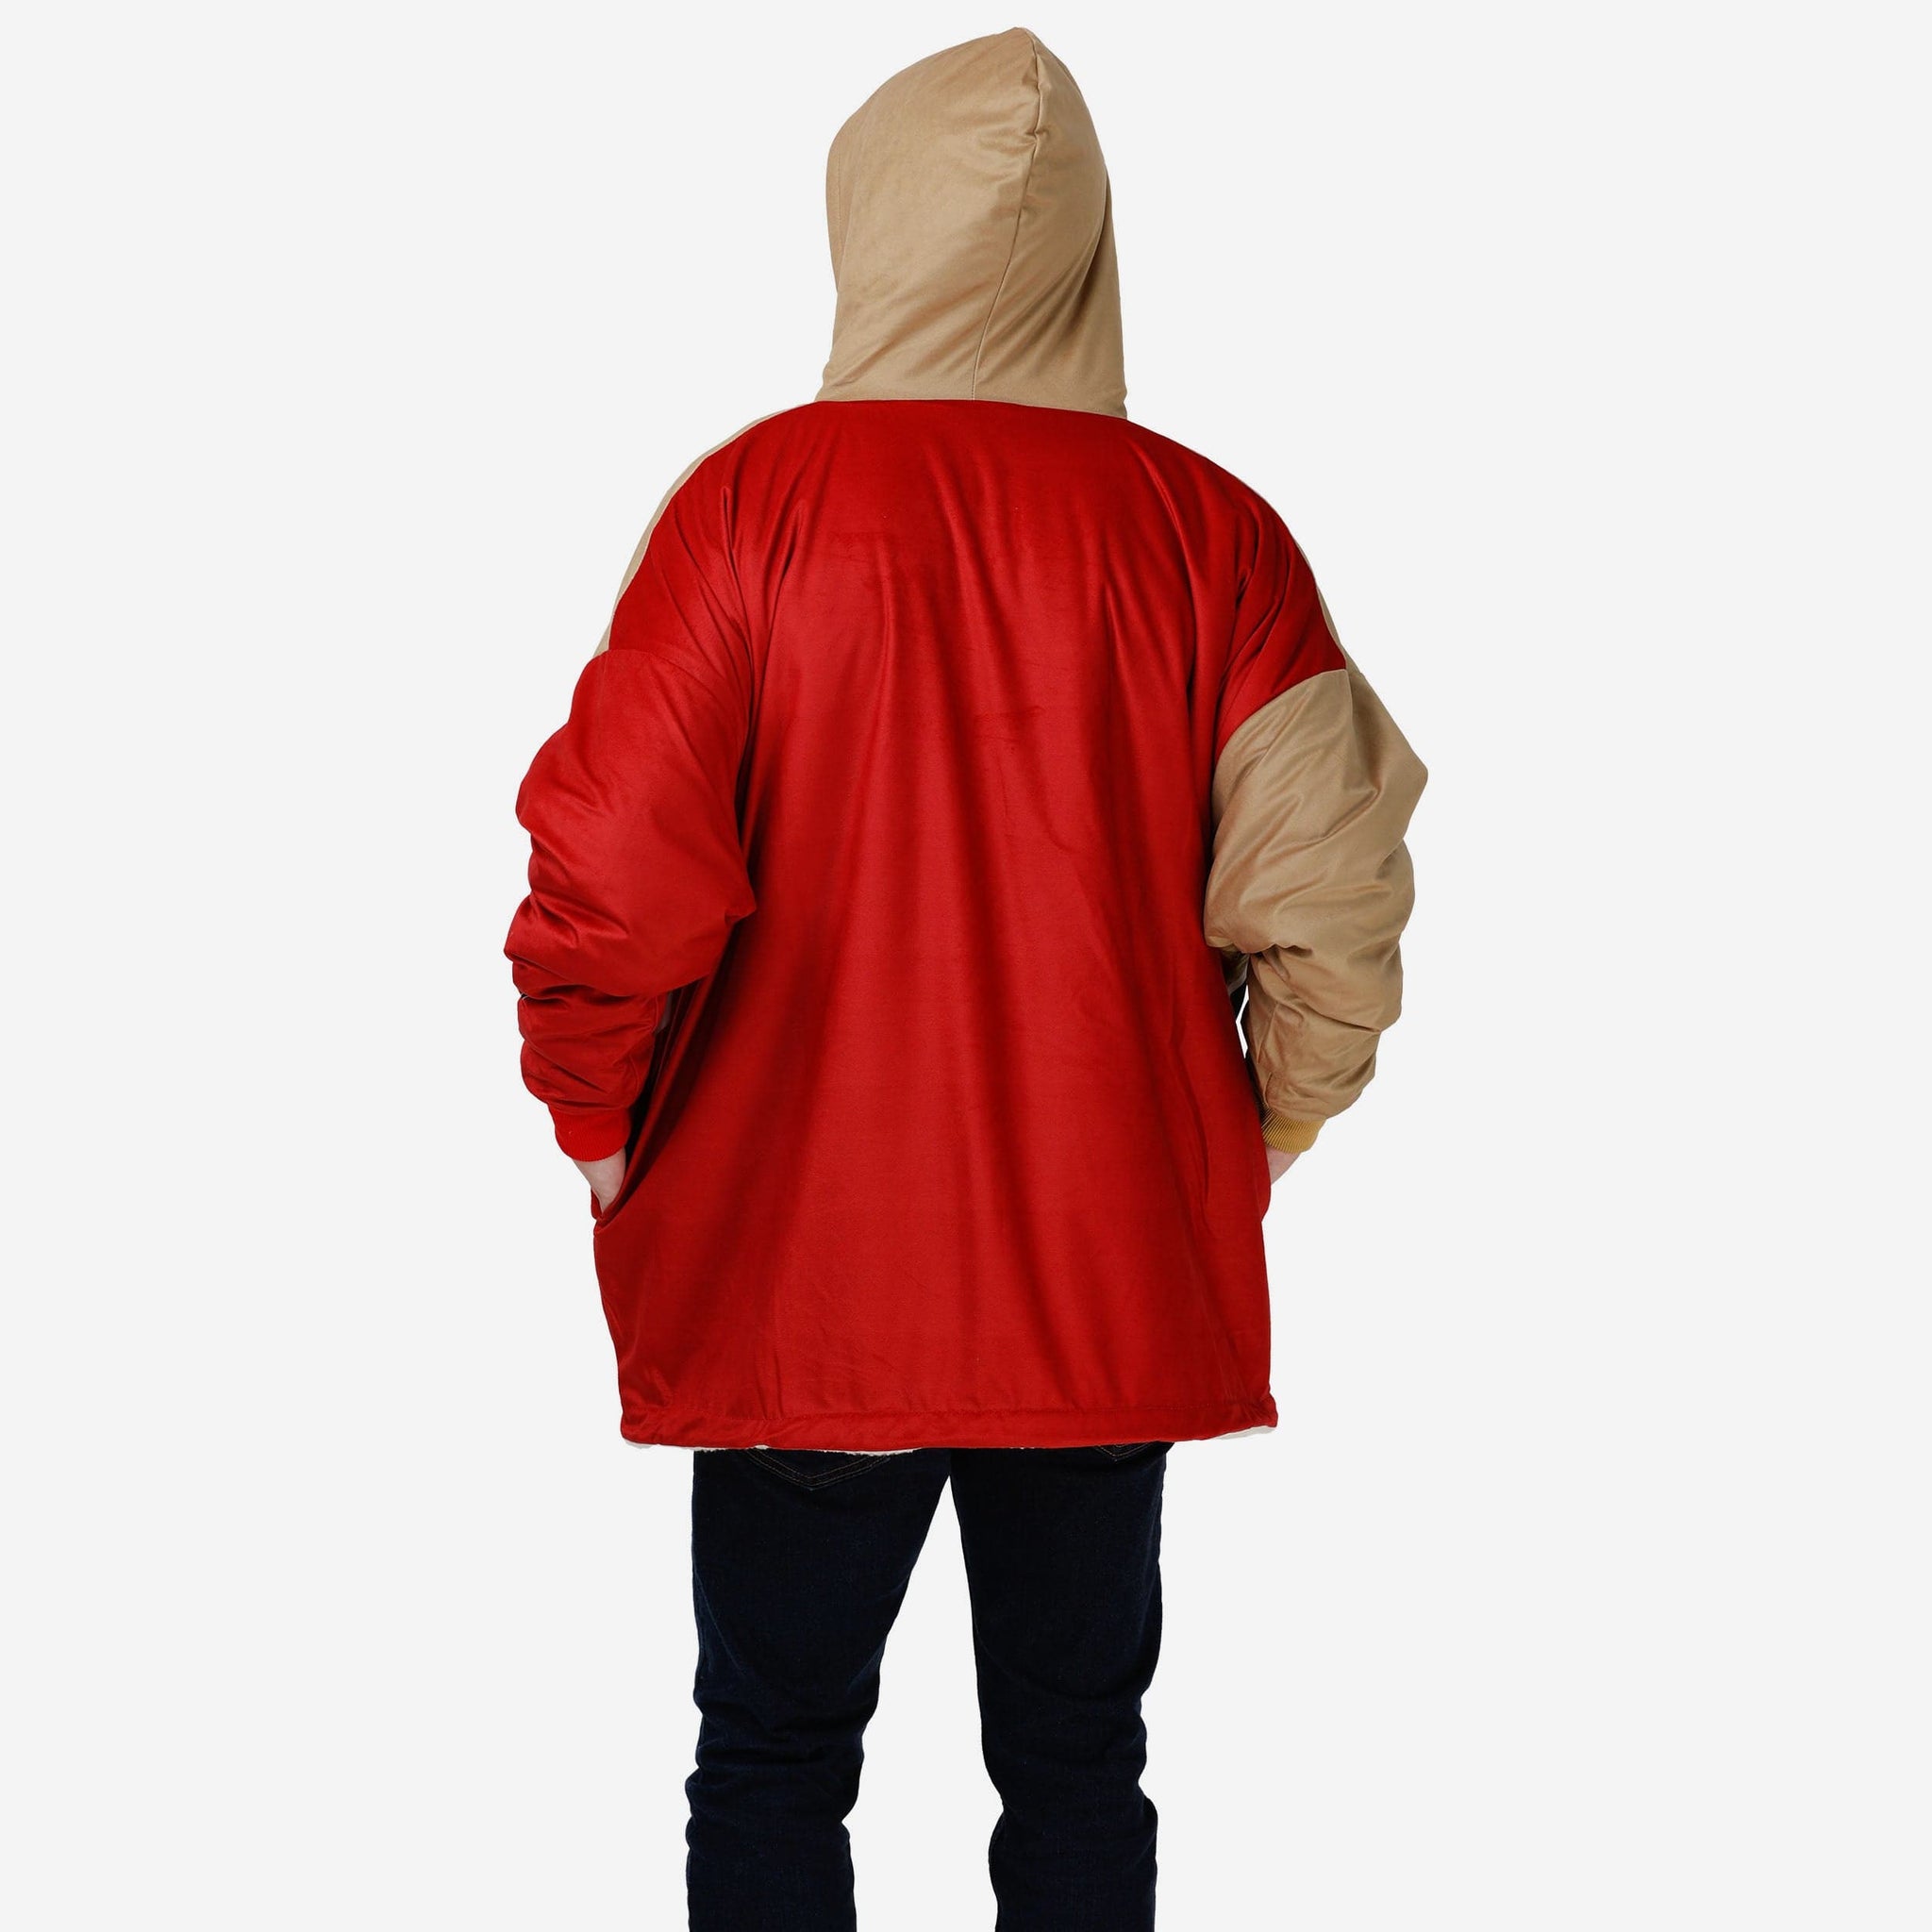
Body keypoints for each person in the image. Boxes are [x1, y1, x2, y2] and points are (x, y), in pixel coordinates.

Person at [505, 27, 1425, 1931]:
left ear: (866, 221)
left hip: (802, 1279)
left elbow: (611, 863)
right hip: (1102, 1270)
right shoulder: (1216, 535)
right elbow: (1330, 899)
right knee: (1081, 1761)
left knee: (773, 1756)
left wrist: (593, 1107)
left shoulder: (747, 509)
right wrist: (1260, 1128)